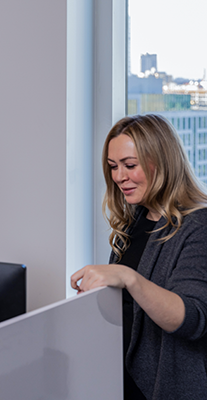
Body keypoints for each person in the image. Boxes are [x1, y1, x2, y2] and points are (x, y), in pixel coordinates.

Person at [70, 114, 207, 399]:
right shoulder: (136, 218)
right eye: (113, 167)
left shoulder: (198, 224)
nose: (119, 177)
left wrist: (127, 278)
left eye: (130, 165)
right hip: (120, 380)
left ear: (162, 162)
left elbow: (191, 319)